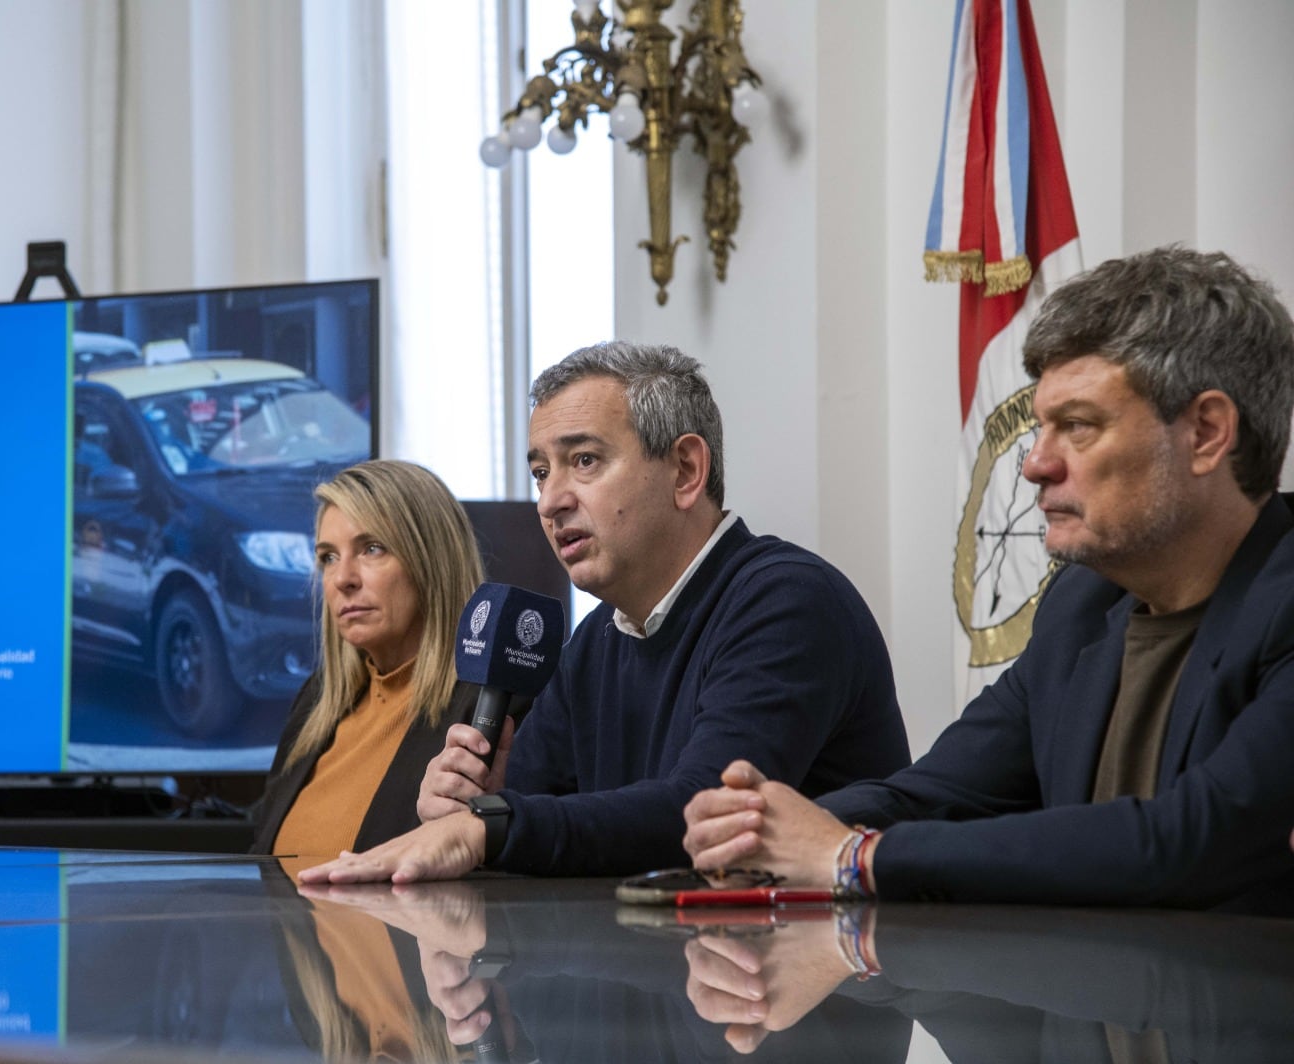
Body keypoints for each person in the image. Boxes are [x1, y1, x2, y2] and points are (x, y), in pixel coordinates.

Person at [683, 246, 1294, 910]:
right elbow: (934, 795)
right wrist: (762, 828)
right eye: (1039, 429)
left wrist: (850, 856)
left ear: (1206, 433)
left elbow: (1195, 842)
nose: (1033, 464)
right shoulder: (1080, 606)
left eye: (1078, 427)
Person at [298, 341, 910, 884]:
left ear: (686, 470)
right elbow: (519, 816)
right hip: (663, 983)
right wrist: (477, 798)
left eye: (584, 461)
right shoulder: (598, 638)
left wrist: (494, 823)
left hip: (813, 992)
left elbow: (701, 814)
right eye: (541, 472)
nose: (551, 501)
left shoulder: (788, 603)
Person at [250, 459, 507, 857]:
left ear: (432, 561)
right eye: (328, 557)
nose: (342, 579)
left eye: (371, 548)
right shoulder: (315, 701)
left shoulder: (494, 706)